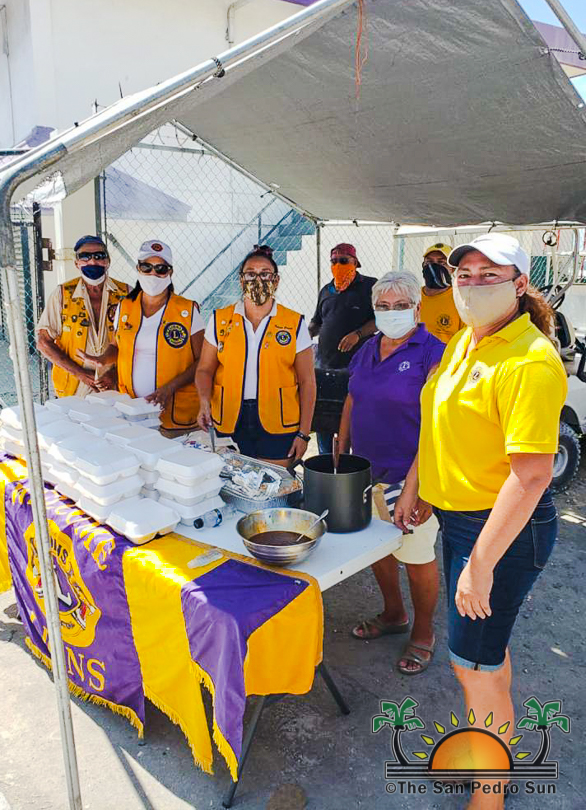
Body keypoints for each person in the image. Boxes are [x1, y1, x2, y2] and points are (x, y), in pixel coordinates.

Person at [413, 233, 567, 810]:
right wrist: (420, 486)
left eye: (489, 275)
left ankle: (489, 795)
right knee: (484, 660)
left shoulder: (529, 360)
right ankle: (486, 753)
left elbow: (531, 476)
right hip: (460, 521)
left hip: (499, 533)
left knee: (473, 667)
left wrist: (479, 567)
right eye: (465, 275)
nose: (472, 285)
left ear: (520, 285)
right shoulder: (467, 339)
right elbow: (439, 419)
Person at [338, 272, 444, 675]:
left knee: (416, 556)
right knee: (377, 549)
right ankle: (394, 613)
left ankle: (423, 632)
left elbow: (440, 426)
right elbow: (353, 397)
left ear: (417, 308)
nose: (391, 312)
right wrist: (340, 451)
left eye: (401, 305)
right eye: (383, 306)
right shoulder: (368, 348)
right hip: (366, 473)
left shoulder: (433, 352)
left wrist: (421, 489)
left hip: (409, 476)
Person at [196, 245, 316, 465]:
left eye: (265, 274)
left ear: (276, 280)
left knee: (274, 480)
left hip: (278, 421)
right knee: (230, 477)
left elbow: (308, 381)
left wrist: (304, 433)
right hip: (229, 417)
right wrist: (204, 401)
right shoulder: (220, 320)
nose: (258, 279)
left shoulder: (293, 323)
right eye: (250, 274)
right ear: (241, 280)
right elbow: (204, 369)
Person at [79, 240, 204, 434]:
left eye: (160, 269)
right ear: (138, 269)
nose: (153, 274)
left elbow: (203, 361)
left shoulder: (187, 310)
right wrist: (103, 360)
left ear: (170, 272)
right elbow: (117, 345)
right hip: (132, 410)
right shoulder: (125, 307)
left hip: (174, 413)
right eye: (147, 267)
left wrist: (170, 388)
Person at [36, 235, 129, 397]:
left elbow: (137, 342)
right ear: (76, 263)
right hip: (73, 388)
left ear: (108, 261)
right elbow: (43, 342)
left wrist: (115, 373)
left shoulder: (126, 293)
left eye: (99, 256)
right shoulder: (62, 294)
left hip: (117, 384)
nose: (92, 261)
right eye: (85, 256)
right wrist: (80, 373)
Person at [309, 243, 377, 454]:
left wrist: (358, 334)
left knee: (353, 422)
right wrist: (301, 335)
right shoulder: (326, 290)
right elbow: (317, 322)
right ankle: (325, 462)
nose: (338, 265)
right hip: (326, 367)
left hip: (357, 368)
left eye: (344, 261)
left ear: (355, 263)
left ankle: (351, 464)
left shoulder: (370, 286)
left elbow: (380, 319)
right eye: (334, 261)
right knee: (324, 420)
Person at [419, 242, 465, 343]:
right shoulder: (412, 297)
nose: (434, 266)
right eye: (429, 262)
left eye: (441, 263)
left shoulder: (461, 300)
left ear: (452, 269)